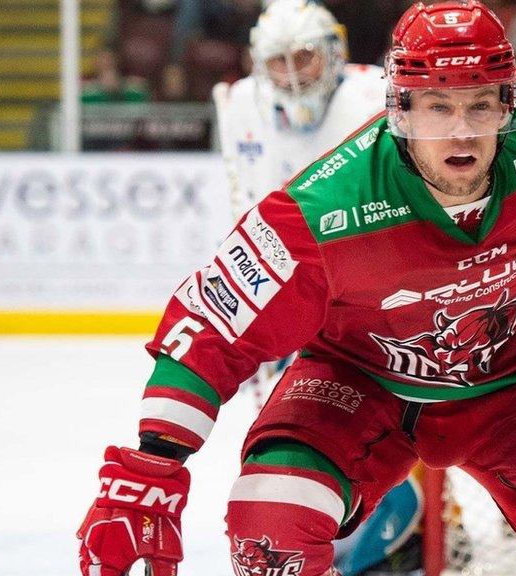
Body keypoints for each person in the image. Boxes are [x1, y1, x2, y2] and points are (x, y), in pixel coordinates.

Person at [76, 2, 516, 576]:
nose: (461, 131)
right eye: (437, 106)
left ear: (508, 106)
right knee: (270, 531)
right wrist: (151, 464)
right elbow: (212, 325)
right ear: (400, 109)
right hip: (361, 379)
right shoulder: (322, 212)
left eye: (480, 105)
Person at [214, 2, 421, 574]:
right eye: (278, 63)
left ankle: (404, 536)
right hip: (290, 293)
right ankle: (334, 542)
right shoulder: (240, 105)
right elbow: (247, 206)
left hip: (373, 297)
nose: (294, 75)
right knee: (296, 434)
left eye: (304, 57)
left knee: (384, 429)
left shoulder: (378, 95)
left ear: (333, 50)